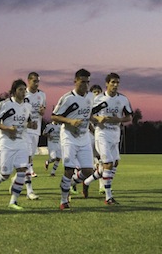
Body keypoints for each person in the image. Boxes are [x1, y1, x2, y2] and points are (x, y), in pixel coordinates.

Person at [0, 79, 36, 210]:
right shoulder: (5, 105)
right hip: (6, 143)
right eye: (20, 89)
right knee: (5, 175)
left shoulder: (27, 106)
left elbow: (28, 122)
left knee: (22, 171)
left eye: (24, 90)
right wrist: (7, 129)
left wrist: (32, 125)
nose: (23, 92)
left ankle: (13, 201)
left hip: (21, 142)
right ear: (13, 91)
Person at [83, 73, 133, 204]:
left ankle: (87, 181)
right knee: (108, 164)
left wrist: (119, 119)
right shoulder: (99, 99)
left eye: (117, 82)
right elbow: (88, 115)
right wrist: (98, 119)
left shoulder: (123, 99)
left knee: (114, 164)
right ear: (107, 84)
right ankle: (108, 197)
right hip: (102, 134)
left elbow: (129, 117)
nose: (115, 85)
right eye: (113, 82)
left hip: (115, 135)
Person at [51, 68, 95, 211]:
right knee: (69, 169)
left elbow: (87, 114)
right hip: (69, 136)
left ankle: (70, 183)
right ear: (75, 81)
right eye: (82, 82)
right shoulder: (68, 98)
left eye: (87, 82)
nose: (85, 85)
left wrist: (92, 126)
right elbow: (54, 116)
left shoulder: (90, 97)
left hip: (84, 137)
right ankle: (64, 201)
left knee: (89, 171)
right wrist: (70, 121)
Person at [23, 72, 45, 198]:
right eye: (34, 81)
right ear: (29, 81)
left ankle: (16, 180)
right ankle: (29, 190)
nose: (36, 83)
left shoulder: (42, 94)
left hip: (36, 130)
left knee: (30, 158)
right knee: (27, 159)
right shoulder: (23, 94)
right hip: (25, 130)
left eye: (38, 81)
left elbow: (43, 110)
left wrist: (42, 111)